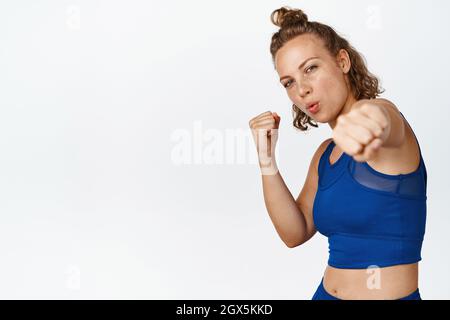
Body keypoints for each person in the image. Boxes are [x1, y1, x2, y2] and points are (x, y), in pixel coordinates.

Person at [248, 7, 427, 300]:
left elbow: (382, 120)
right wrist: (266, 160)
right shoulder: (325, 155)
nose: (301, 90)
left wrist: (366, 119)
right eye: (289, 82)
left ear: (342, 61)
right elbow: (295, 232)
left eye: (310, 68)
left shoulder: (389, 124)